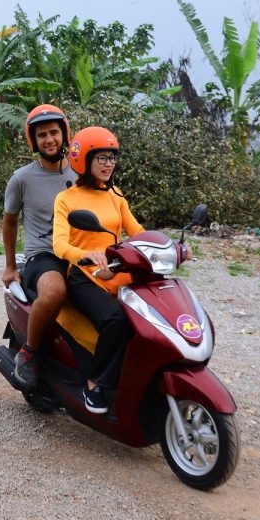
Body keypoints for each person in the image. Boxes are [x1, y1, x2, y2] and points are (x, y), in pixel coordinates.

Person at [52, 126, 166, 414]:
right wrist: (85, 255)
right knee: (116, 319)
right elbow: (60, 245)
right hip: (84, 276)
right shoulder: (67, 199)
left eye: (112, 157)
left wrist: (169, 247)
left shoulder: (116, 196)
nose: (108, 164)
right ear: (83, 161)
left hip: (117, 272)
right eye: (101, 157)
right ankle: (94, 383)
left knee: (153, 317)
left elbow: (137, 232)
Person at [2, 105, 77, 386]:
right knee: (55, 291)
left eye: (54, 133)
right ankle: (30, 352)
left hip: (79, 252)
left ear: (65, 134)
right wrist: (10, 266)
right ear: (33, 140)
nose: (50, 140)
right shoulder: (22, 178)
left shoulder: (82, 173)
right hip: (42, 255)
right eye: (42, 135)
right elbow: (9, 222)